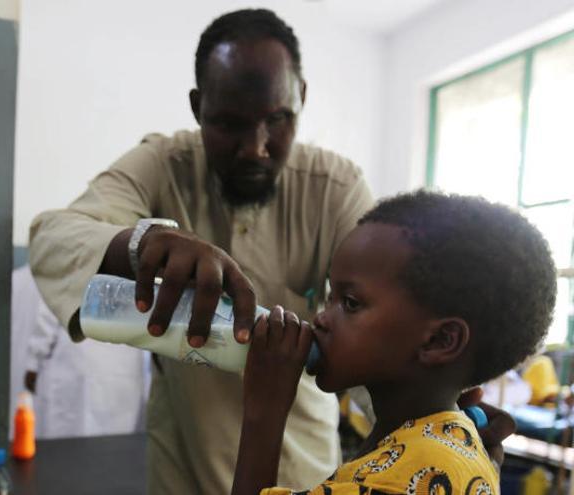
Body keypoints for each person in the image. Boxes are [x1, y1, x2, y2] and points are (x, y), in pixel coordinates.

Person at [29, 9, 512, 494]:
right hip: (183, 463)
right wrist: (142, 243)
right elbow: (54, 235)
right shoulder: (163, 164)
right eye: (229, 124)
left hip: (300, 469)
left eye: (278, 120)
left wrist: (438, 407)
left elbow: (392, 331)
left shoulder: (335, 189)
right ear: (199, 108)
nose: (255, 148)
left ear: (301, 98)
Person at [232, 191, 557, 495]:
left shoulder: (406, 476)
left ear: (440, 340)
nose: (321, 319)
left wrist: (264, 415)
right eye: (330, 298)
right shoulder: (426, 446)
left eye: (350, 303)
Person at [11, 265, 149, 439]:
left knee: (71, 438)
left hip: (80, 364)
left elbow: (51, 309)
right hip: (117, 369)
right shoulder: (130, 269)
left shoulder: (68, 267)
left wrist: (33, 361)